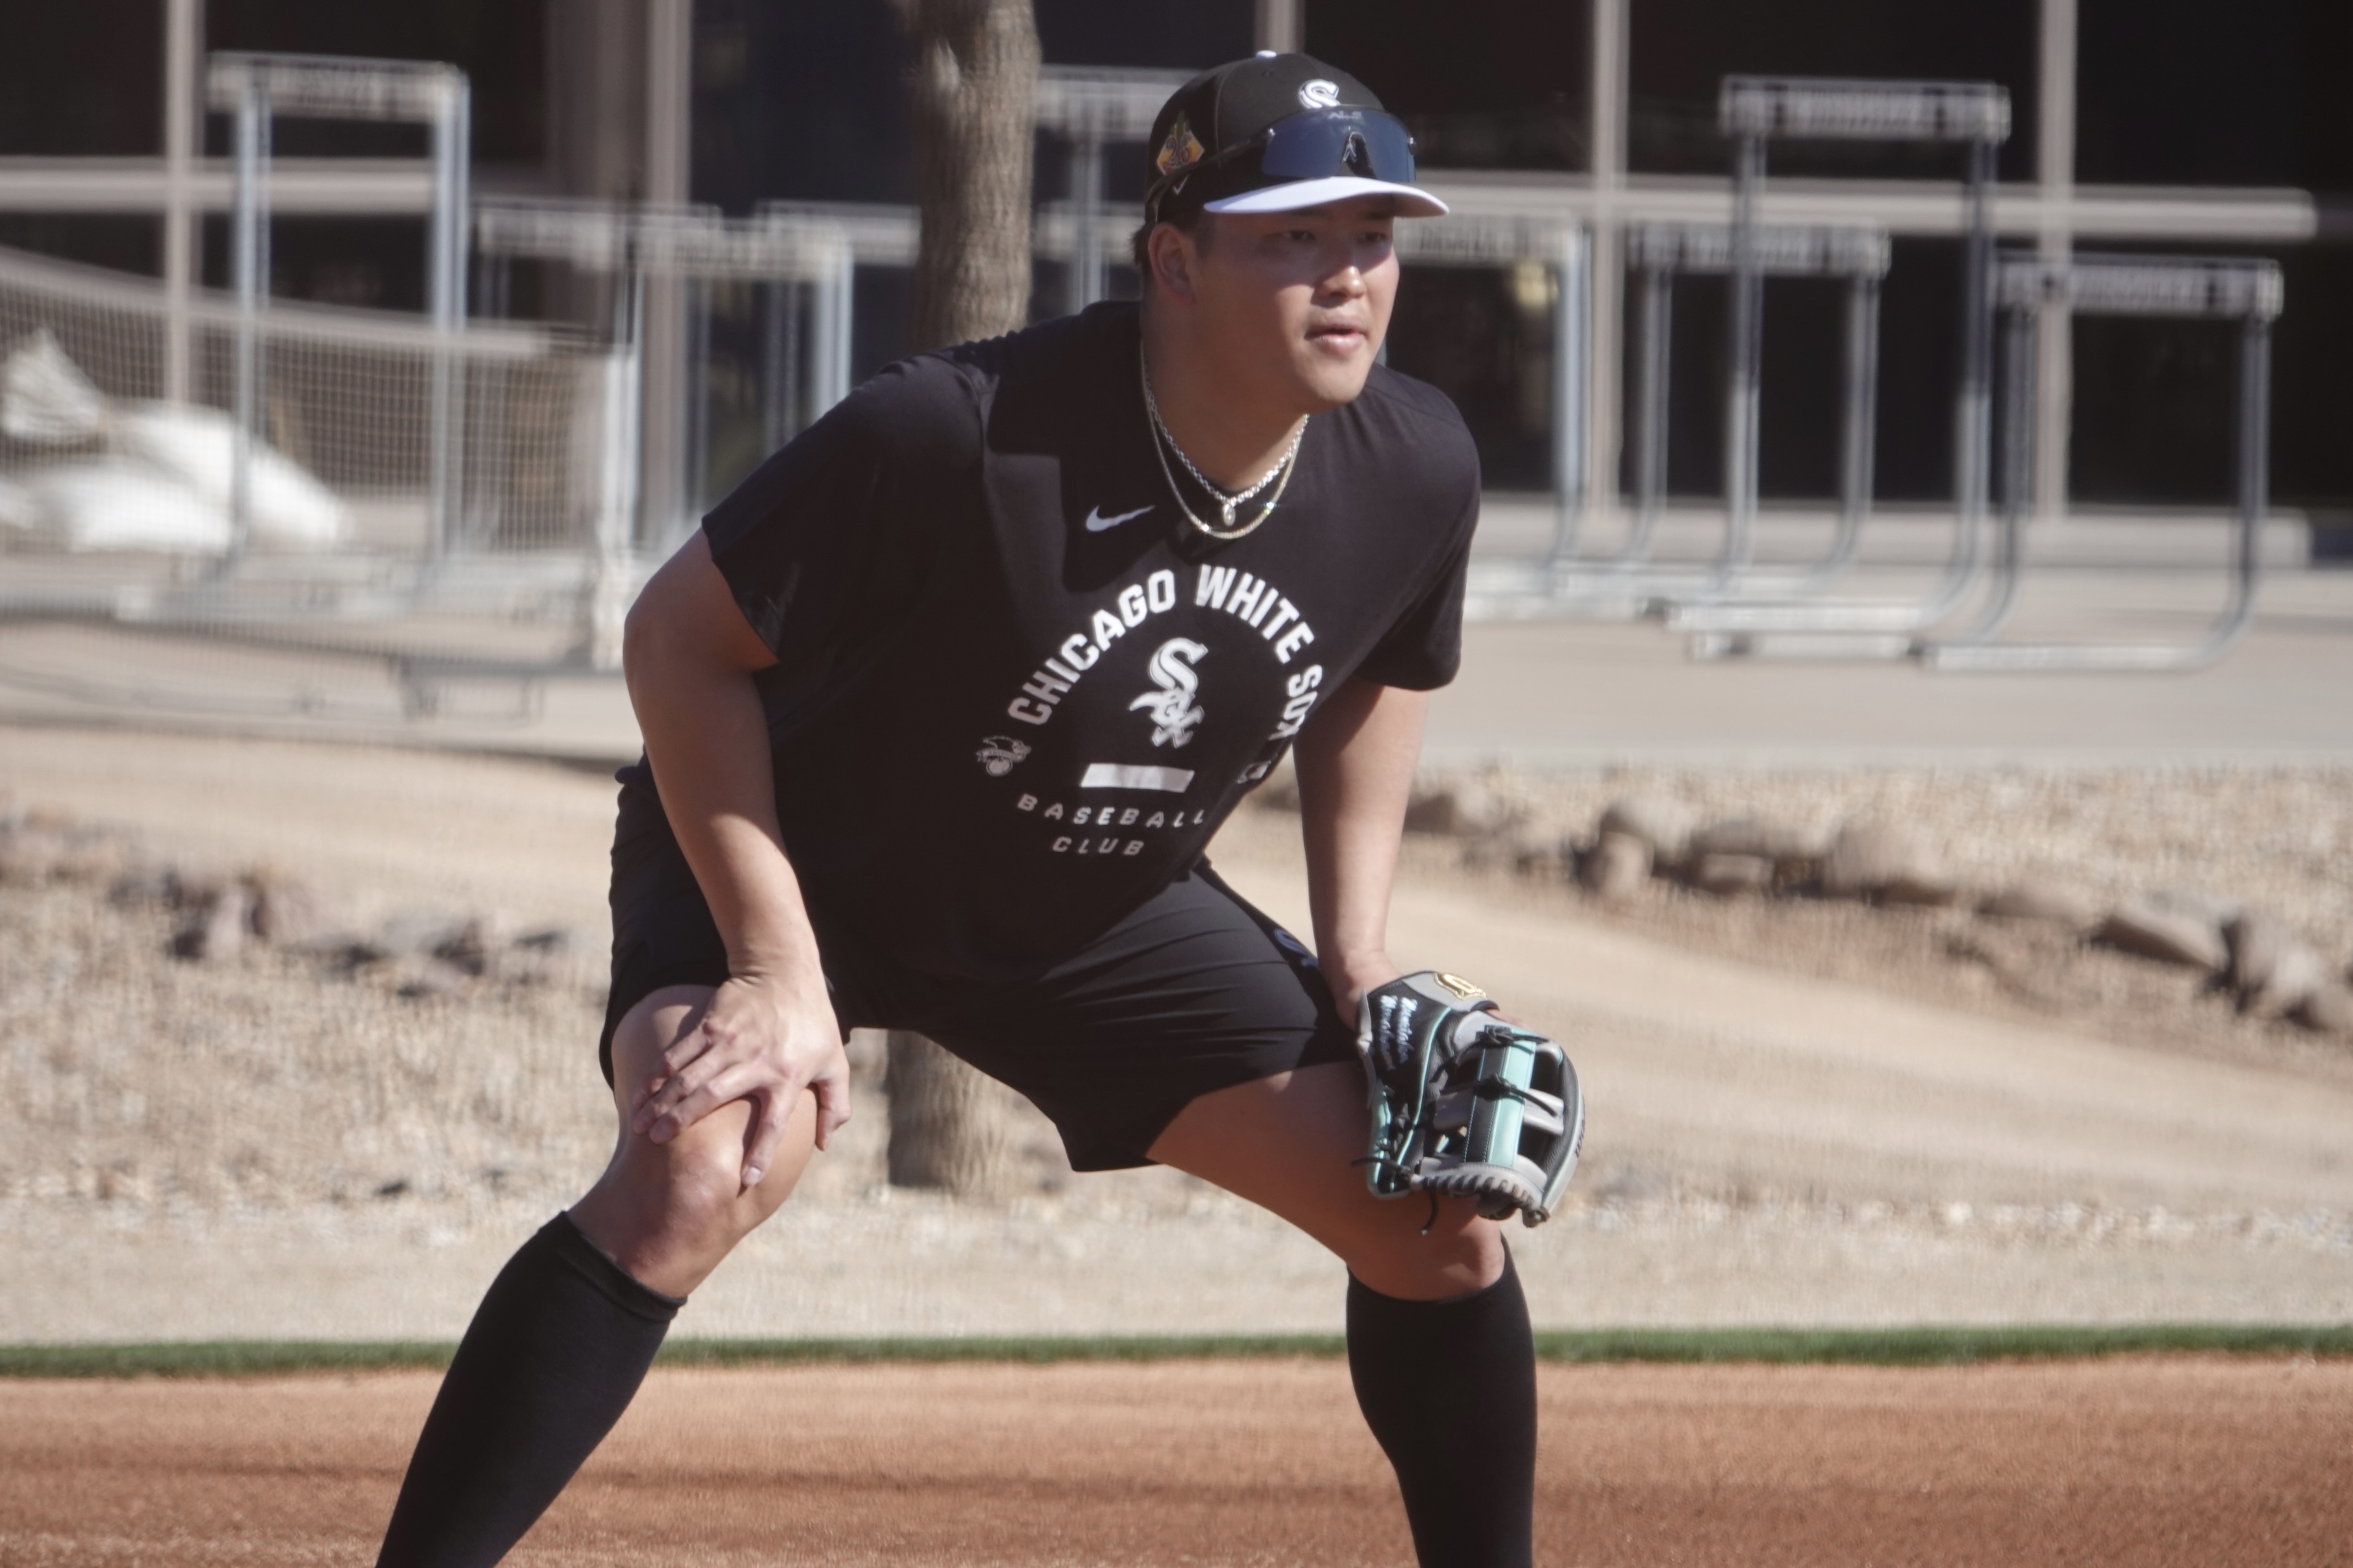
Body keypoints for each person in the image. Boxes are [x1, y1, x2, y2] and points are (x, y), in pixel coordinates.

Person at [375, 51, 1535, 1568]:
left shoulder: (1414, 462)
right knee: (702, 1162)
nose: (1348, 279)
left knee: (1437, 1217)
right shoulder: (961, 430)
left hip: (1088, 907)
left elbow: (1388, 660)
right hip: (801, 859)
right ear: (1173, 262)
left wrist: (1360, 948)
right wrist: (780, 972)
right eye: (1292, 237)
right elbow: (677, 638)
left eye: (1370, 235)